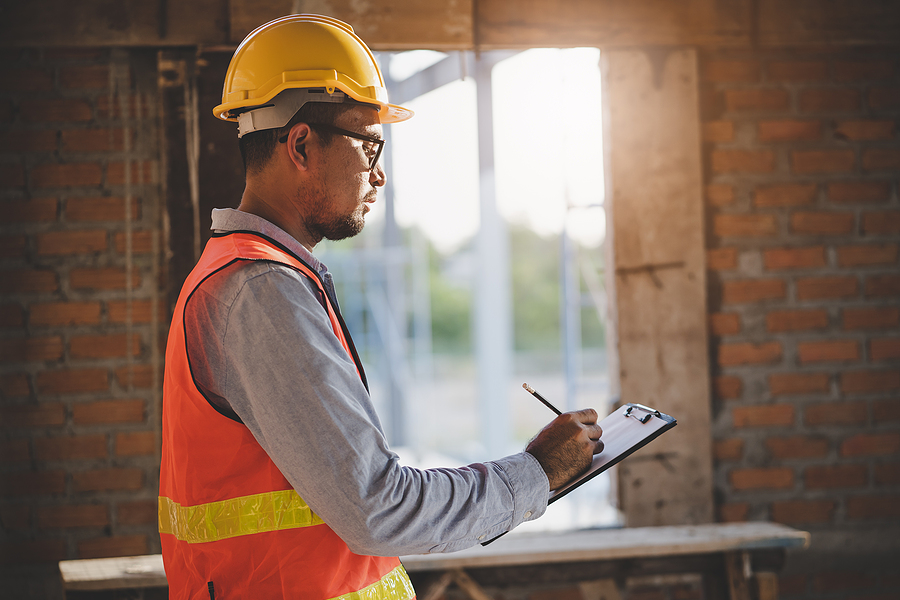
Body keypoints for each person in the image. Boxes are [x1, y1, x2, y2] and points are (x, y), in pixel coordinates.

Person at [158, 14, 604, 600]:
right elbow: (378, 507)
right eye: (370, 145)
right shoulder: (261, 292)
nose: (381, 175)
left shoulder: (252, 278)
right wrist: (536, 474)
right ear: (300, 145)